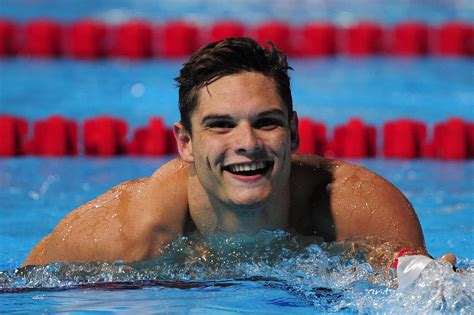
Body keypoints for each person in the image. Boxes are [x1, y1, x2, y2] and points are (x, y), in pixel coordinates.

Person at [23, 37, 455, 269]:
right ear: (185, 142)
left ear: (294, 131)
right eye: (221, 125)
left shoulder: (358, 212)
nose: (247, 143)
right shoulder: (125, 235)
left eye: (266, 121)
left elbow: (414, 286)